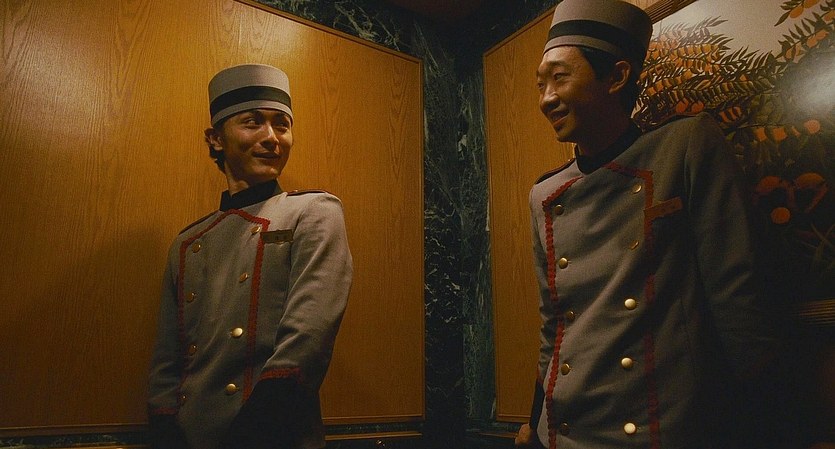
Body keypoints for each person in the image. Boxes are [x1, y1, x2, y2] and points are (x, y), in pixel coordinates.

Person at [514, 0, 793, 447]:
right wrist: (533, 422)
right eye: (540, 83)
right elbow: (554, 324)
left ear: (617, 77)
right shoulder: (544, 194)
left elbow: (735, 290)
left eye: (560, 78)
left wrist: (776, 426)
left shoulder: (684, 145)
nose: (546, 99)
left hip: (656, 425)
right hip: (563, 427)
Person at [147, 63, 353, 449]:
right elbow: (167, 359)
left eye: (282, 125)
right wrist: (164, 428)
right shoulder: (188, 242)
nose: (271, 138)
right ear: (216, 139)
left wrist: (254, 431)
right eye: (253, 122)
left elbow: (307, 337)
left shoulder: (314, 212)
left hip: (273, 433)